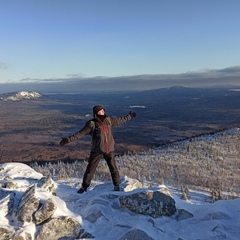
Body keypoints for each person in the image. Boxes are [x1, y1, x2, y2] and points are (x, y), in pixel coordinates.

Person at [60, 105, 137, 193]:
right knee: (90, 169)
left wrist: (130, 116)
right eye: (100, 111)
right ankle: (84, 187)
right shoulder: (91, 124)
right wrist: (67, 140)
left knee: (113, 168)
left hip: (109, 149)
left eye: (103, 110)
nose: (102, 112)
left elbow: (120, 120)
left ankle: (117, 185)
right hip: (97, 150)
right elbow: (80, 134)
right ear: (96, 113)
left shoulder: (109, 120)